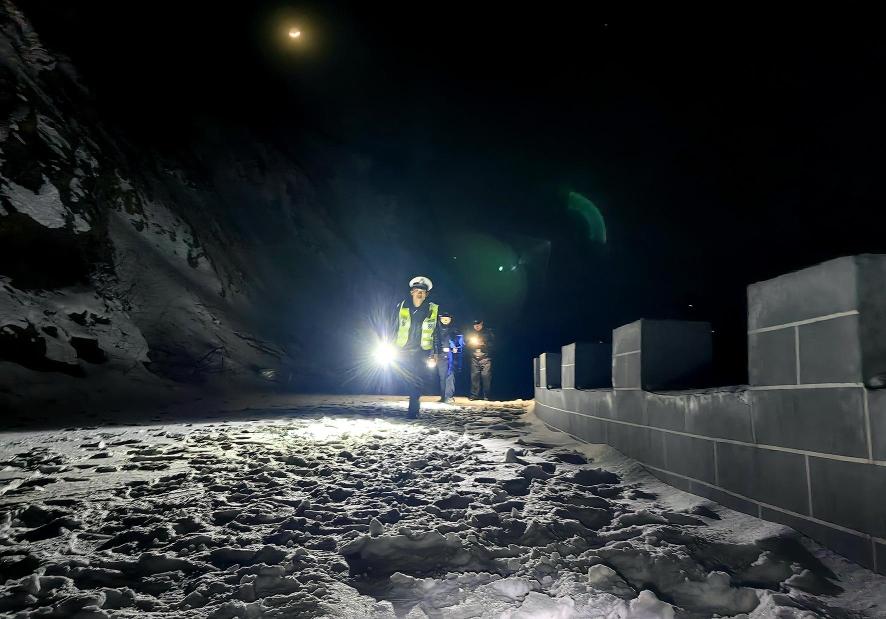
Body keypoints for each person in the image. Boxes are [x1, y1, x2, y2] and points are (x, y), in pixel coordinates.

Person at [393, 276, 439, 418]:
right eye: (417, 290)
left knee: (416, 380)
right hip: (403, 349)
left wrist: (435, 352)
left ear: (426, 294)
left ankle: (413, 409)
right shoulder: (401, 307)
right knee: (405, 378)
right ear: (411, 292)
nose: (419, 293)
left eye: (422, 291)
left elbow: (436, 332)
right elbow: (393, 326)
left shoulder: (432, 309)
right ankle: (412, 402)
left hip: (422, 351)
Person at [436, 312, 464, 404]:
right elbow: (434, 342)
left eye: (447, 318)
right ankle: (443, 396)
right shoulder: (437, 330)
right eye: (443, 318)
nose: (445, 320)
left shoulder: (455, 330)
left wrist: (456, 348)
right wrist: (433, 354)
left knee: (450, 375)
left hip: (451, 355)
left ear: (450, 319)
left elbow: (460, 342)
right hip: (440, 355)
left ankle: (449, 396)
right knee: (442, 376)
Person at [466, 319, 494, 400]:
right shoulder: (470, 333)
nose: (477, 326)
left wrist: (484, 344)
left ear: (482, 324)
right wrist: (470, 344)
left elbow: (493, 344)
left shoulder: (488, 332)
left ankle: (486, 395)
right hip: (474, 357)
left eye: (478, 324)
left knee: (486, 376)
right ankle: (474, 395)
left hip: (485, 357)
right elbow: (465, 343)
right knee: (474, 377)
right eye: (475, 325)